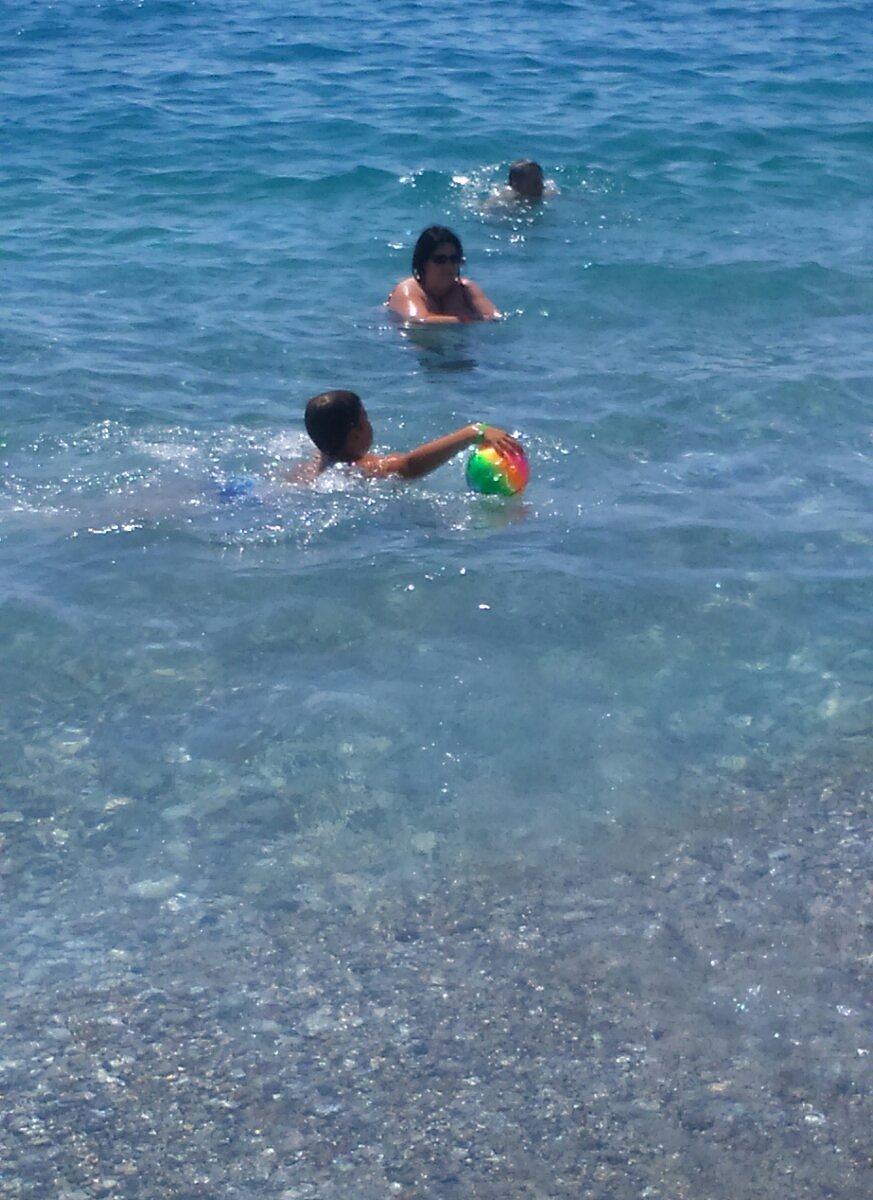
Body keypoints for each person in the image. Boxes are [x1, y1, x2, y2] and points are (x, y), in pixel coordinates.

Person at [298, 389, 521, 481]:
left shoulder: (322, 459)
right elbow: (410, 466)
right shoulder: (365, 468)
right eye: (365, 417)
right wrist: (473, 432)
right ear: (355, 434)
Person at [387, 226, 500, 324]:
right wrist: (465, 319)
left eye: (454, 259)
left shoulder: (465, 289)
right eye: (440, 260)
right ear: (423, 263)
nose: (448, 266)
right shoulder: (408, 290)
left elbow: (495, 318)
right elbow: (418, 321)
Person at [489, 159, 558, 207]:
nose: (542, 187)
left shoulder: (548, 191)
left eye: (541, 181)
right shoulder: (503, 198)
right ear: (515, 184)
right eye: (535, 184)